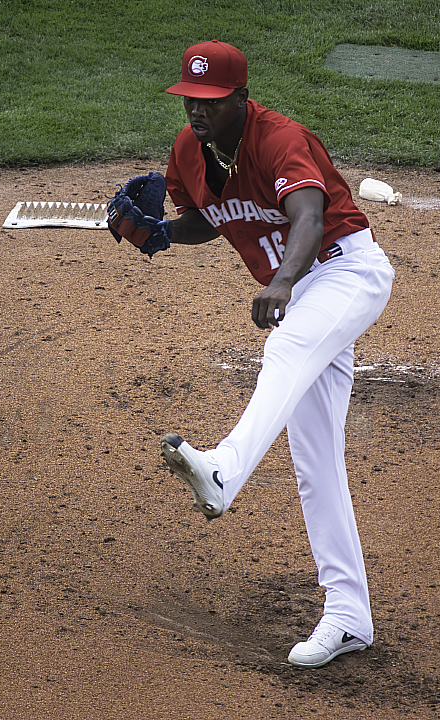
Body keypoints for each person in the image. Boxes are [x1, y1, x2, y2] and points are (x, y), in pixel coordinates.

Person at [157, 40, 395, 669]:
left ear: (240, 97)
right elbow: (206, 218)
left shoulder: (278, 138)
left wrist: (284, 279)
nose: (197, 113)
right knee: (314, 460)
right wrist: (155, 233)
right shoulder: (189, 151)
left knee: (286, 343)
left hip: (347, 271)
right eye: (190, 101)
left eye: (210, 102)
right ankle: (349, 616)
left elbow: (309, 217)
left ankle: (224, 472)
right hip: (306, 285)